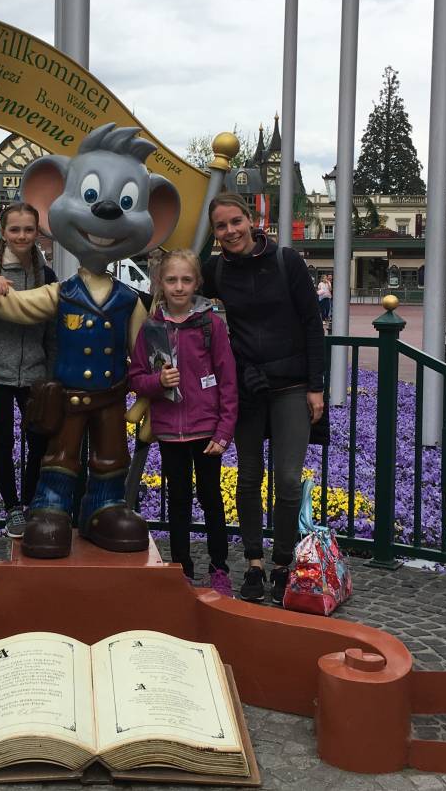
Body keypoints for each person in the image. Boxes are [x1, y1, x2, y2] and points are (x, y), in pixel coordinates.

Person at [201, 193, 325, 606]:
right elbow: (178, 286)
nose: (230, 231)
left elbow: (312, 323)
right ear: (214, 233)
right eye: (220, 226)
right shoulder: (216, 269)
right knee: (249, 477)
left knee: (287, 479)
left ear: (252, 220)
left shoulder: (286, 262)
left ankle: (282, 562)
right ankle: (254, 562)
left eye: (235, 221)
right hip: (248, 386)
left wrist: (316, 385)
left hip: (291, 384)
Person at [128, 250, 236, 595]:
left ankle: (219, 568)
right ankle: (181, 568)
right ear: (160, 283)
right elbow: (137, 378)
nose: (179, 287)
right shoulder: (151, 328)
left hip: (205, 429)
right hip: (170, 431)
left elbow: (228, 380)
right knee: (178, 501)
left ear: (197, 283)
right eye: (172, 280)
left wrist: (224, 430)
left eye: (186, 280)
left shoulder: (210, 325)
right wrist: (158, 382)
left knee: (211, 499)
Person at [0, 203, 57, 538]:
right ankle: (11, 507)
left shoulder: (47, 276)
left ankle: (32, 501)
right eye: (15, 229)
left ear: (37, 233)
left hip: (34, 370)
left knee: (39, 440)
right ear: (3, 232)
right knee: (3, 441)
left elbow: (52, 330)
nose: (22, 236)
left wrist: (50, 371)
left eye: (28, 229)